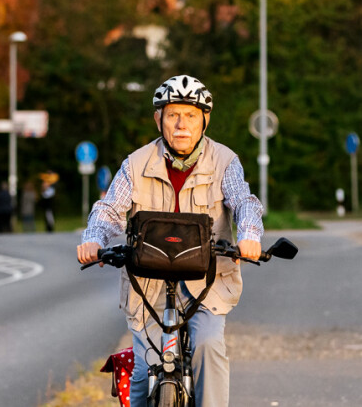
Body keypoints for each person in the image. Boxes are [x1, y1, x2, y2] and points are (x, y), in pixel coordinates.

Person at [77, 75, 264, 407]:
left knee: (208, 346)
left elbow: (244, 202)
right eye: (173, 114)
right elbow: (109, 208)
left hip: (206, 284)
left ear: (204, 120)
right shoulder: (135, 164)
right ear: (158, 119)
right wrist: (94, 239)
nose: (181, 124)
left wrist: (250, 235)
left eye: (191, 115)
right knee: (141, 370)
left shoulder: (224, 161)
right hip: (147, 285)